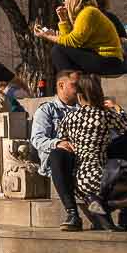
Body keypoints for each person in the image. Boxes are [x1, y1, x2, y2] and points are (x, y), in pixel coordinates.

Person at [57, 74, 127, 230]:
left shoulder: (69, 117)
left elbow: (62, 139)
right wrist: (117, 108)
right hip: (100, 176)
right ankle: (103, 205)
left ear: (79, 96)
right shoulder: (105, 115)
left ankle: (101, 212)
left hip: (78, 179)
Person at [35, 0, 127, 77]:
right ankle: (75, 83)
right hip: (102, 58)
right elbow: (69, 42)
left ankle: (72, 84)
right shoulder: (83, 13)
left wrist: (48, 35)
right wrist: (63, 20)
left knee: (58, 50)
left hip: (110, 61)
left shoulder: (88, 12)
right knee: (60, 50)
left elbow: (72, 41)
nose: (63, 2)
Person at [29, 69, 83, 230]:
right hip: (59, 158)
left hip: (84, 155)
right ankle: (72, 213)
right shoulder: (47, 110)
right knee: (57, 154)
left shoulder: (84, 107)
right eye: (75, 85)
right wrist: (58, 143)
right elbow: (37, 139)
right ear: (61, 85)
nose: (79, 89)